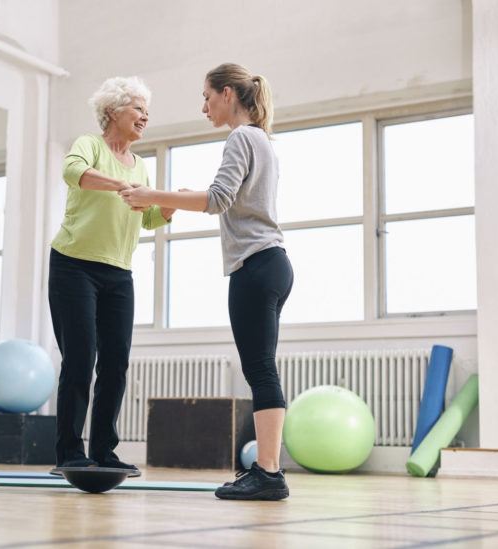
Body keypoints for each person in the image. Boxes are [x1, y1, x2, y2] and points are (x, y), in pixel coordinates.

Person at [120, 63, 294, 500]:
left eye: (207, 97)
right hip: (272, 263)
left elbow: (218, 199)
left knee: (259, 370)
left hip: (255, 265)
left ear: (229, 94)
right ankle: (270, 472)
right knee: (263, 368)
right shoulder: (263, 141)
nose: (204, 107)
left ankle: (269, 473)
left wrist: (152, 195)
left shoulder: (241, 137)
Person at [49, 76, 173, 476]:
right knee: (80, 359)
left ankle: (104, 449)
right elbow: (73, 172)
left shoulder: (142, 165)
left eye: (146, 109)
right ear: (113, 112)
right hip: (74, 265)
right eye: (137, 107)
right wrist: (121, 185)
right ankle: (69, 451)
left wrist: (168, 207)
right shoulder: (91, 145)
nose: (145, 115)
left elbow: (148, 216)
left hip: (119, 273)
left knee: (116, 362)